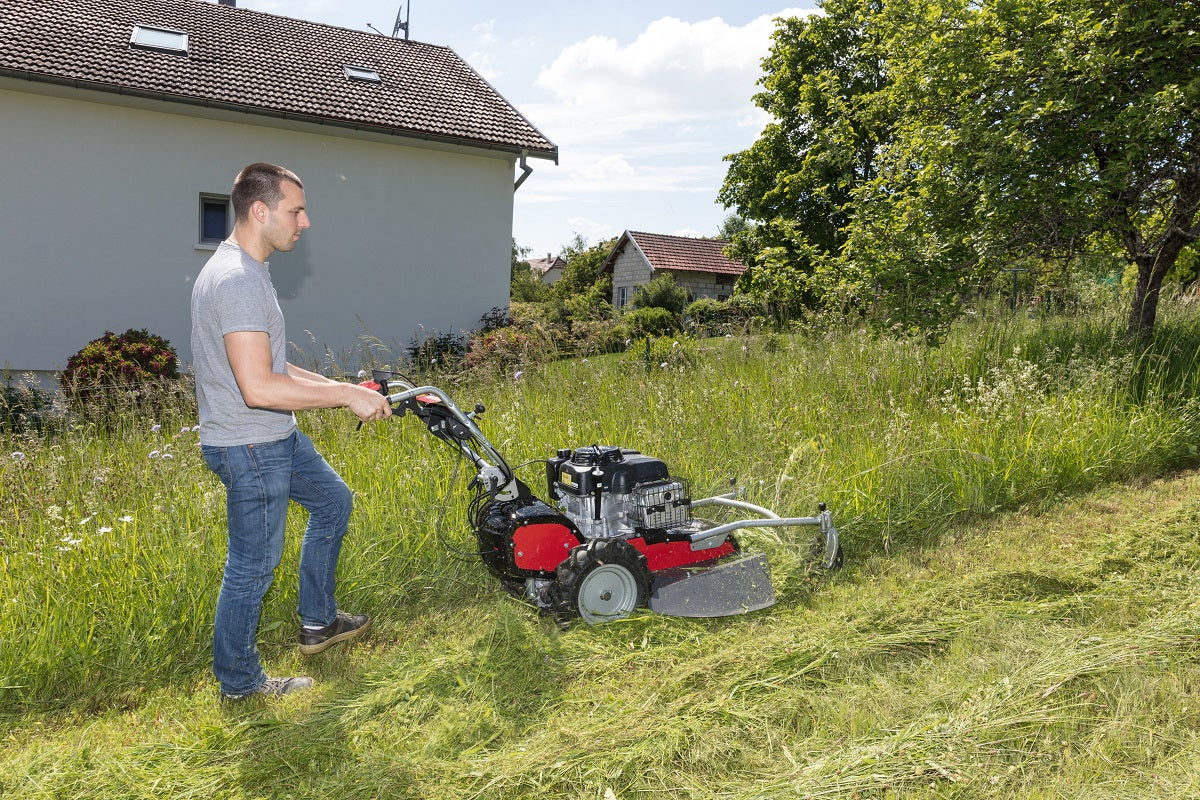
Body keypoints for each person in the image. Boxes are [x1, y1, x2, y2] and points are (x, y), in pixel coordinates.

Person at [190, 162, 392, 701]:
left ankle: (318, 622)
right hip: (250, 443)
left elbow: (273, 366)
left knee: (332, 501)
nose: (306, 222)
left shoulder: (249, 269)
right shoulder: (235, 280)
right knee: (253, 566)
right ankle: (240, 684)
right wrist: (345, 397)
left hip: (273, 434)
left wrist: (344, 386)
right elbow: (258, 386)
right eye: (296, 210)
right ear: (261, 211)